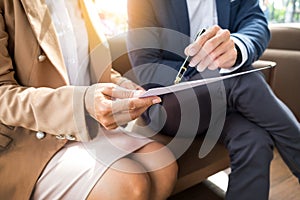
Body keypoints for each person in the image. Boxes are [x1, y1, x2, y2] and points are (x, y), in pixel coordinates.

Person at [0, 0, 178, 199]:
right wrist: (81, 104)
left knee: (163, 164)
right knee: (128, 184)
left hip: (89, 127)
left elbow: (79, 66)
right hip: (30, 140)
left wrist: (122, 86)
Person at [127, 0, 300, 199]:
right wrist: (211, 68)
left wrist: (238, 46)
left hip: (224, 103)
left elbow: (255, 21)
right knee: (244, 79)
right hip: (169, 103)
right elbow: (146, 66)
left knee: (254, 140)